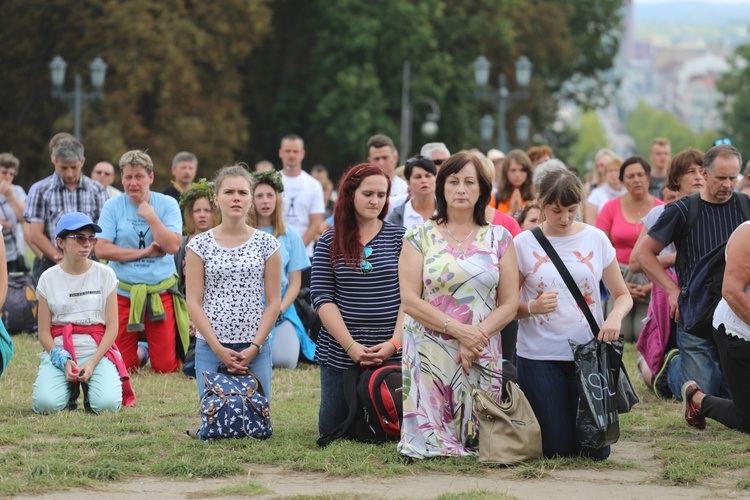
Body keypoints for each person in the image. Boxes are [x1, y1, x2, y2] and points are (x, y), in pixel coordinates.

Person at [397, 153, 519, 459]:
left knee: (480, 440)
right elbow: (410, 301)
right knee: (431, 437)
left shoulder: (500, 238)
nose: (461, 189)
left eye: (469, 182)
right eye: (453, 182)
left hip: (482, 344)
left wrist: (475, 335)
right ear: (442, 188)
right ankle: (430, 438)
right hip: (430, 343)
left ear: (482, 189)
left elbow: (509, 303)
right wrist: (458, 331)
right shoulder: (418, 236)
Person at [514, 169, 632, 459]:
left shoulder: (596, 238)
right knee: (557, 448)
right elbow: (505, 306)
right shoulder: (522, 244)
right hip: (539, 356)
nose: (565, 218)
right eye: (556, 211)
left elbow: (623, 295)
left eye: (571, 209)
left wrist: (614, 317)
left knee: (596, 451)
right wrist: (531, 307)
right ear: (540, 203)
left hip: (587, 354)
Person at [634, 144, 748, 400]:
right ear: (705, 175)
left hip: (737, 312)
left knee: (731, 395)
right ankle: (669, 368)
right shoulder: (683, 209)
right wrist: (672, 291)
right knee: (702, 393)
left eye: (733, 178)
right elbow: (643, 254)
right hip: (696, 311)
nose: (728, 184)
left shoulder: (746, 207)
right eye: (721, 178)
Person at [311, 163, 405, 436]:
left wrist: (394, 343)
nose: (375, 200)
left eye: (381, 194)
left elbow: (410, 298)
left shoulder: (402, 238)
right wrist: (351, 346)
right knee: (332, 428)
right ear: (350, 194)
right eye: (368, 194)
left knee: (392, 424)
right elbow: (321, 298)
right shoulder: (329, 240)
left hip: (391, 345)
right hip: (342, 347)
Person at [186, 165, 281, 406]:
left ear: (251, 199)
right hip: (211, 344)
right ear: (216, 199)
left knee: (256, 416)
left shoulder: (267, 244)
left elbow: (273, 302)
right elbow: (194, 302)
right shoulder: (199, 244)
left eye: (242, 192)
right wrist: (217, 348)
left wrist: (255, 346)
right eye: (229, 192)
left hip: (255, 345)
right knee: (215, 416)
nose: (236, 198)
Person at [31, 212, 133, 414]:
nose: (87, 244)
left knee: (107, 406)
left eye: (91, 239)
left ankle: (90, 385)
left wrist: (93, 361)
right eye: (79, 238)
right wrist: (61, 359)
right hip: (61, 349)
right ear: (60, 242)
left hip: (96, 349)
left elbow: (112, 327)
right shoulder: (47, 278)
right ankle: (70, 391)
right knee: (45, 406)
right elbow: (43, 331)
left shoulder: (105, 274)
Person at [96, 150, 187, 373]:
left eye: (139, 177)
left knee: (165, 367)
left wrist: (151, 216)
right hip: (123, 292)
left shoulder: (166, 204)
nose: (133, 183)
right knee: (122, 367)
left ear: (151, 178)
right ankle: (142, 350)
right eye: (128, 177)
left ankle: (146, 345)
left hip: (159, 291)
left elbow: (173, 246)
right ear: (121, 178)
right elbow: (101, 249)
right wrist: (144, 253)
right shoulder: (113, 206)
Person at [629, 148, 705, 391]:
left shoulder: (715, 212)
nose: (698, 176)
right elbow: (636, 261)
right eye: (690, 171)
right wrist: (675, 258)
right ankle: (651, 367)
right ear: (676, 179)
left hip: (703, 294)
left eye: (701, 171)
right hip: (667, 294)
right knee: (671, 372)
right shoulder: (660, 213)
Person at [681, 221, 750, 432]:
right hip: (738, 332)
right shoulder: (747, 233)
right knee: (747, 420)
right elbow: (731, 292)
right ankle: (697, 399)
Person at [249, 169, 315, 369]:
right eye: (259, 196)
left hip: (280, 305)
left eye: (270, 195)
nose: (265, 201)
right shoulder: (242, 233)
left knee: (285, 362)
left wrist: (279, 309)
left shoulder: (291, 235)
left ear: (278, 199)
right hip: (248, 305)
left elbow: (295, 283)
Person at [595, 156, 664, 342]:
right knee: (619, 335)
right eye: (631, 176)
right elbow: (597, 248)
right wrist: (619, 284)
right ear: (623, 181)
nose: (636, 180)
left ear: (649, 178)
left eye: (641, 175)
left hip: (652, 275)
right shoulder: (610, 208)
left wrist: (652, 285)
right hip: (618, 273)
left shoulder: (662, 209)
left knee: (642, 334)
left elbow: (670, 251)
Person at [24, 138, 108, 277]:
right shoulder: (42, 190)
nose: (69, 173)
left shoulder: (97, 190)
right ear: (55, 162)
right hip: (53, 261)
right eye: (63, 168)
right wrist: (59, 258)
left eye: (74, 167)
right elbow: (35, 234)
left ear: (82, 162)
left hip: (89, 260)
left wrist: (85, 253)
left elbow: (104, 230)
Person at [279, 135, 325, 270]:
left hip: (305, 254)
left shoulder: (313, 185)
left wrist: (296, 249)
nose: (291, 155)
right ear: (280, 153)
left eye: (295, 151)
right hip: (275, 253)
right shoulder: (272, 182)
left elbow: (316, 223)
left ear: (302, 153)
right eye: (287, 151)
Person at [386, 156, 437, 229]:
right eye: (418, 177)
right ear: (408, 183)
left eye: (428, 176)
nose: (424, 180)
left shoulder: (447, 212)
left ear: (435, 179)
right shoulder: (397, 216)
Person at [0, 152, 28, 272]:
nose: (8, 177)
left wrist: (10, 196)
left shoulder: (17, 191)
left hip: (13, 255)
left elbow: (24, 217)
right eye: (4, 173)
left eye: (11, 174)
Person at [491, 149, 534, 216]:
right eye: (513, 170)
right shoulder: (494, 198)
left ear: (528, 172)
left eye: (522, 170)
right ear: (506, 172)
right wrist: (511, 211)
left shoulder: (534, 200)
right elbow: (489, 225)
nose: (517, 175)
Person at [367, 134, 409, 202]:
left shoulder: (406, 190)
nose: (381, 162)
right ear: (369, 161)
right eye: (376, 159)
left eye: (385, 158)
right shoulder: (364, 190)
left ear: (395, 158)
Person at [585, 156, 626, 225]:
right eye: (610, 171)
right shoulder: (596, 194)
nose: (613, 173)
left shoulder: (628, 192)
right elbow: (591, 221)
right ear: (605, 174)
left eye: (616, 170)